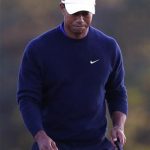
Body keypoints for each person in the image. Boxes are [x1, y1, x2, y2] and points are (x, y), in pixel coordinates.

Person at [17, 0, 128, 150]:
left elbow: (117, 92)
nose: (80, 19)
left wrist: (118, 126)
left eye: (85, 13)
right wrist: (39, 135)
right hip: (52, 145)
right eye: (75, 13)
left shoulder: (108, 47)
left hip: (97, 145)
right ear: (62, 8)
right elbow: (28, 98)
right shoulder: (38, 49)